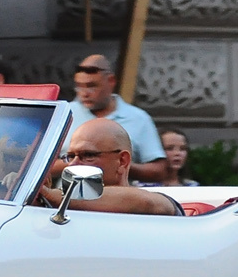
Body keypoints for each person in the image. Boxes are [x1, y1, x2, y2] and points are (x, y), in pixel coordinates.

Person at [35, 119, 180, 216]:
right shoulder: (61, 210)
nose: (72, 165)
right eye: (71, 156)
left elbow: (145, 202)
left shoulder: (155, 204)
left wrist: (50, 195)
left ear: (122, 161)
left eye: (88, 155)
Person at [67, 53, 165, 183]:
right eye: (79, 86)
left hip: (119, 199)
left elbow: (159, 171)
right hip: (67, 197)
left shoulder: (138, 118)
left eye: (92, 86)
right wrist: (80, 163)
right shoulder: (65, 114)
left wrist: (117, 164)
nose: (84, 93)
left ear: (111, 81)